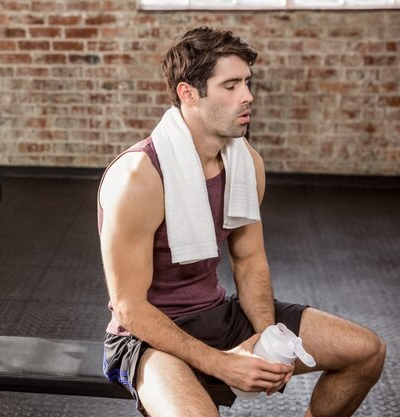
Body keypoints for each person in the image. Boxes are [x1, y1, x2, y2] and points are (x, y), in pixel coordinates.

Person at [97, 26, 386, 417]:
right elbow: (129, 307)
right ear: (188, 94)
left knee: (366, 352)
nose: (247, 96)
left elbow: (250, 261)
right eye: (230, 86)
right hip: (147, 337)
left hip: (217, 314)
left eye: (247, 83)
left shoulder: (245, 162)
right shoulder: (139, 178)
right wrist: (222, 363)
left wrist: (269, 334)